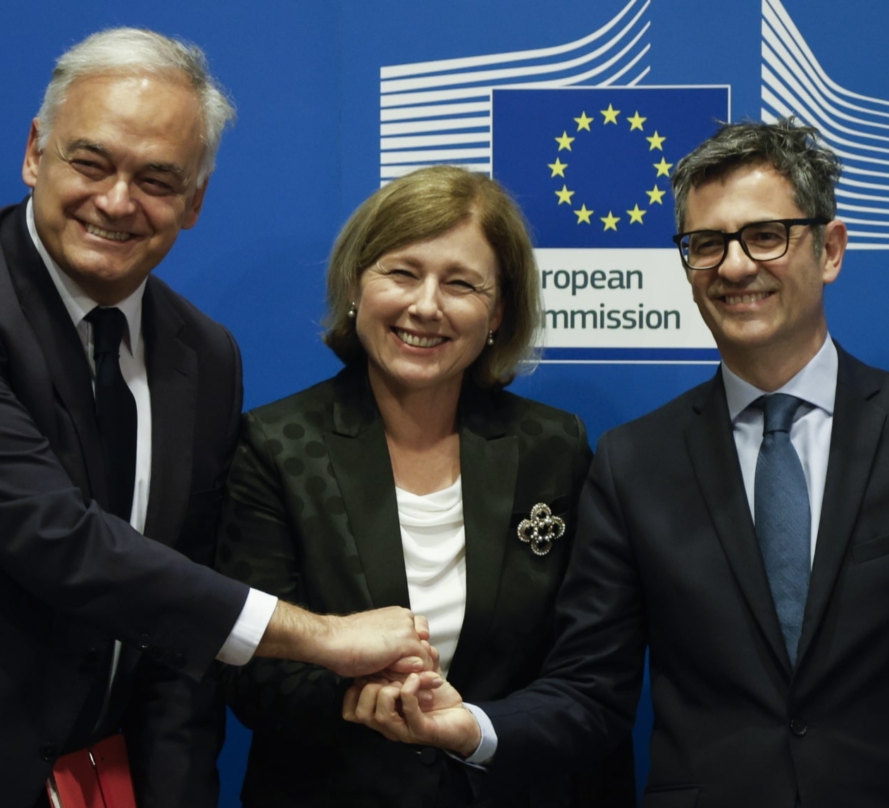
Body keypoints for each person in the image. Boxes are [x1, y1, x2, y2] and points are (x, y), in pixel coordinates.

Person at [0, 28, 433, 808]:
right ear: (35, 153)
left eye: (157, 179)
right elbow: (59, 541)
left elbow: (180, 620)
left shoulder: (204, 354)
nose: (117, 201)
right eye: (90, 162)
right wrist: (323, 637)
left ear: (195, 201)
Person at [347, 119, 889, 807]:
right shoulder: (635, 462)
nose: (734, 266)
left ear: (829, 249)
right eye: (706, 243)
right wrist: (471, 726)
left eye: (765, 237)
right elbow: (590, 691)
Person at [214, 165, 635, 807]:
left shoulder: (555, 448)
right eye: (402, 273)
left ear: (498, 312)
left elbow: (588, 675)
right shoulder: (276, 444)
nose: (426, 305)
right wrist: (372, 694)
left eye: (461, 283)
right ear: (358, 284)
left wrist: (474, 731)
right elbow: (254, 670)